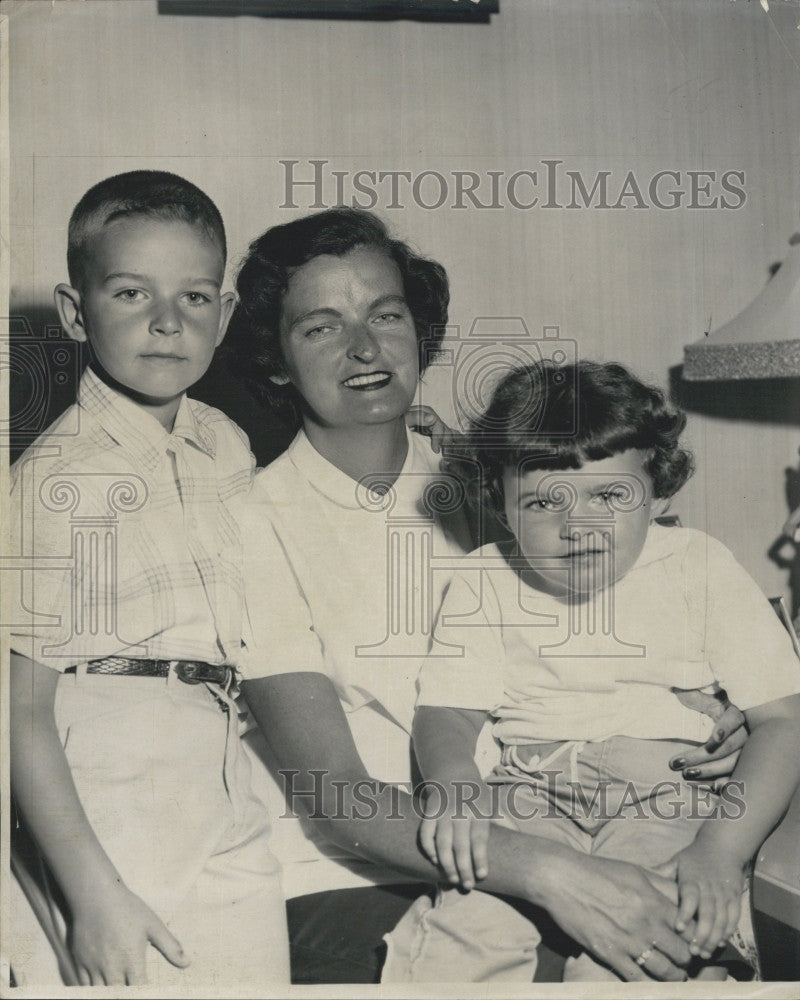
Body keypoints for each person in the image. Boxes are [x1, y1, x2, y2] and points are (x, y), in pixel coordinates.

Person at [224, 208, 749, 984]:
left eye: (386, 314)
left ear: (420, 329)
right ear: (276, 360)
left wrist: (712, 711)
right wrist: (545, 873)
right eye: (320, 328)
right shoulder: (247, 523)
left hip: (563, 825)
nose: (364, 348)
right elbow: (334, 794)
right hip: (358, 874)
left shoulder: (502, 483)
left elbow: (631, 626)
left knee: (706, 950)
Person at [381, 360, 800, 983]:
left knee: (648, 956)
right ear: (500, 504)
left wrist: (720, 849)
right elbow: (449, 708)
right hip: (526, 793)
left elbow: (782, 723)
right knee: (460, 941)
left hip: (666, 795)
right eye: (544, 502)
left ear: (657, 491)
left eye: (608, 496)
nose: (578, 527)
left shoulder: (700, 565)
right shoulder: (482, 578)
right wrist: (452, 780)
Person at [8, 171, 289, 989]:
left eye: (195, 298)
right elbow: (16, 709)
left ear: (225, 316)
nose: (167, 323)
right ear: (74, 312)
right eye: (131, 293)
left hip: (226, 775)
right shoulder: (52, 477)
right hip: (103, 792)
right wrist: (91, 896)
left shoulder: (225, 442)